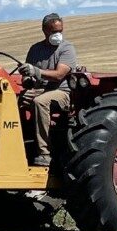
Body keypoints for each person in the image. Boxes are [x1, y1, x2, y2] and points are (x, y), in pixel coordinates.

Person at [19, 12, 77, 166]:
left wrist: (36, 71)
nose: (58, 35)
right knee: (16, 99)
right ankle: (21, 146)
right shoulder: (35, 49)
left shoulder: (66, 48)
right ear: (45, 31)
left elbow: (59, 75)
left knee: (40, 102)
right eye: (54, 32)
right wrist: (28, 80)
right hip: (41, 89)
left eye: (60, 31)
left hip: (62, 92)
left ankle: (44, 153)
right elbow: (29, 77)